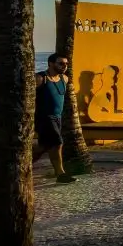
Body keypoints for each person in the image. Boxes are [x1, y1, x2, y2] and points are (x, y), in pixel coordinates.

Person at [33, 54, 76, 183]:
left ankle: (21, 166)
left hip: (58, 117)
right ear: (51, 64)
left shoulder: (65, 79)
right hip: (44, 117)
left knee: (44, 146)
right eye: (61, 63)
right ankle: (61, 174)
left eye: (66, 64)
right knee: (58, 143)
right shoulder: (40, 78)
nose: (64, 66)